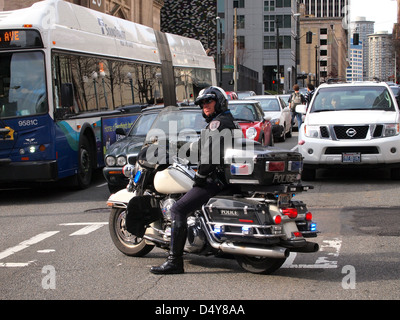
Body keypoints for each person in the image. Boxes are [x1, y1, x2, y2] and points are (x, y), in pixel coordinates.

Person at [150, 86, 240, 275]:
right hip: (226, 179)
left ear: (220, 101)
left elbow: (210, 155)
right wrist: (176, 147)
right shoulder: (226, 121)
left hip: (215, 180)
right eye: (202, 103)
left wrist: (200, 177)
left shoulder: (218, 124)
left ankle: (174, 261)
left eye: (209, 101)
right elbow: (202, 147)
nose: (205, 106)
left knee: (178, 209)